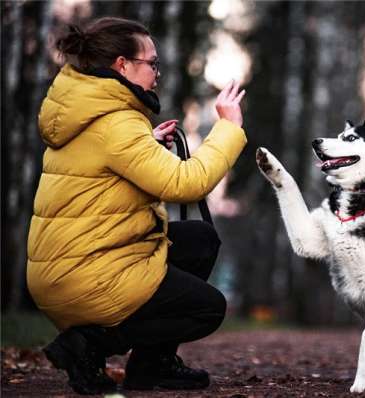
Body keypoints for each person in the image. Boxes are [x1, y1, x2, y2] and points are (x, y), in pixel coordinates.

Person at [27, 17, 247, 394]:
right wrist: (227, 128)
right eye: (152, 64)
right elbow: (185, 182)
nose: (157, 74)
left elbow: (109, 173)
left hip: (72, 266)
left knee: (199, 239)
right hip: (88, 274)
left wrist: (147, 143)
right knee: (206, 308)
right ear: (122, 66)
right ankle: (86, 345)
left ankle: (151, 366)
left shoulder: (87, 112)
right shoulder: (117, 123)